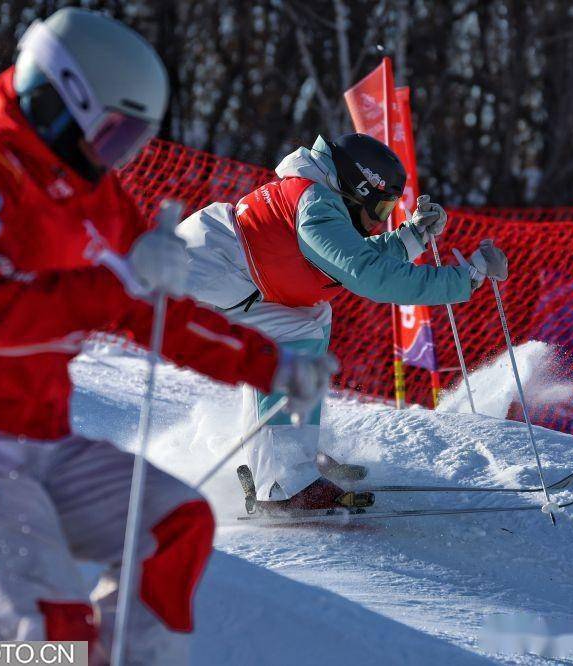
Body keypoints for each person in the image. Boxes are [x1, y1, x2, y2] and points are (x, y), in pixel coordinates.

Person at [0, 8, 335, 664]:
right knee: (53, 634)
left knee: (176, 527)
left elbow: (156, 311)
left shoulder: (95, 196)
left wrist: (268, 365)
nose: (116, 156)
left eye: (130, 141)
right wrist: (119, 283)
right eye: (113, 134)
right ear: (63, 102)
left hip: (37, 438)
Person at [176, 132, 509, 513]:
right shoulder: (315, 205)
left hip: (226, 275)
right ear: (360, 188)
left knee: (310, 318)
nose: (378, 221)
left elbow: (353, 255)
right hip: (202, 275)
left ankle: (292, 455)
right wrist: (465, 279)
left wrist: (413, 236)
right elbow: (367, 274)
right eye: (380, 208)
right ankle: (283, 481)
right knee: (298, 332)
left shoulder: (321, 196)